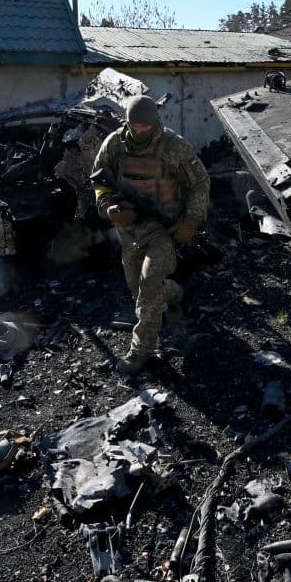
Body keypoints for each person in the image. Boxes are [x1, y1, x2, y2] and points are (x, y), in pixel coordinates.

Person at [92, 95, 210, 374]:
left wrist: (191, 221)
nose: (139, 131)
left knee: (149, 282)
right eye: (134, 125)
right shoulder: (114, 144)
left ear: (155, 122)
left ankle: (141, 350)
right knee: (139, 289)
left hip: (162, 229)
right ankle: (173, 293)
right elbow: (99, 180)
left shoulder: (173, 146)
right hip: (128, 229)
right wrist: (109, 208)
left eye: (145, 126)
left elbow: (200, 183)